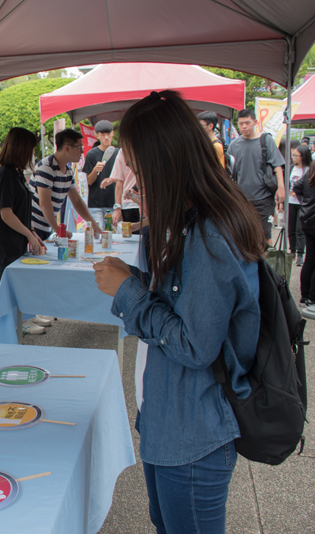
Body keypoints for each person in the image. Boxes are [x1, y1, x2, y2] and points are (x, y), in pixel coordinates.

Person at [93, 90, 263, 534]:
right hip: (168, 420)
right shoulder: (185, 224)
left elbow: (195, 344)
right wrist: (138, 270)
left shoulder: (209, 236)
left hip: (194, 434)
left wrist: (129, 290)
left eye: (141, 178)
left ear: (168, 164)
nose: (133, 188)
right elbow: (178, 299)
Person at [0, 127, 47, 333]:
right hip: (7, 245)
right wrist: (29, 235)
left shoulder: (16, 173)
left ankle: (24, 318)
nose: (32, 154)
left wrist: (33, 233)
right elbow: (6, 214)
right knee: (9, 290)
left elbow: (21, 210)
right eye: (31, 149)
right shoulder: (4, 175)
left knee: (21, 286)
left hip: (18, 242)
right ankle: (13, 325)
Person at [29, 128, 104, 241]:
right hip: (33, 229)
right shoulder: (46, 167)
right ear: (67, 148)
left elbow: (77, 201)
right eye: (80, 148)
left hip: (46, 229)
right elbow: (44, 203)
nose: (82, 152)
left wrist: (92, 223)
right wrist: (59, 231)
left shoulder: (68, 171)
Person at [227, 108, 285, 244]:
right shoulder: (234, 146)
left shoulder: (266, 141)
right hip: (242, 198)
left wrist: (281, 188)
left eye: (247, 122)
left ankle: (265, 265)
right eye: (241, 123)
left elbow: (277, 165)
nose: (244, 126)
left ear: (255, 122)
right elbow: (228, 172)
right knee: (244, 236)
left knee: (265, 237)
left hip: (263, 198)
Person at [82, 120, 118, 227]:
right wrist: (95, 170)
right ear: (97, 135)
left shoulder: (119, 153)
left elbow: (123, 178)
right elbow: (89, 181)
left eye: (108, 133)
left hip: (113, 203)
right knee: (96, 236)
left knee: (112, 236)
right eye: (103, 134)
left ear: (113, 133)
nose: (106, 137)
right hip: (95, 203)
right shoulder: (91, 154)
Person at [293, 152, 315, 305]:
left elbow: (296, 186)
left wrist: (304, 200)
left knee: (309, 260)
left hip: (307, 219)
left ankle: (305, 296)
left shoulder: (310, 171)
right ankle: (312, 298)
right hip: (311, 220)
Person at [287, 142, 306, 265]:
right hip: (290, 201)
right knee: (291, 228)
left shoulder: (308, 169)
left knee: (300, 229)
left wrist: (299, 192)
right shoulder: (291, 168)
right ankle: (292, 252)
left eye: (296, 156)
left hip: (303, 202)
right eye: (293, 155)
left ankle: (300, 253)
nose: (294, 158)